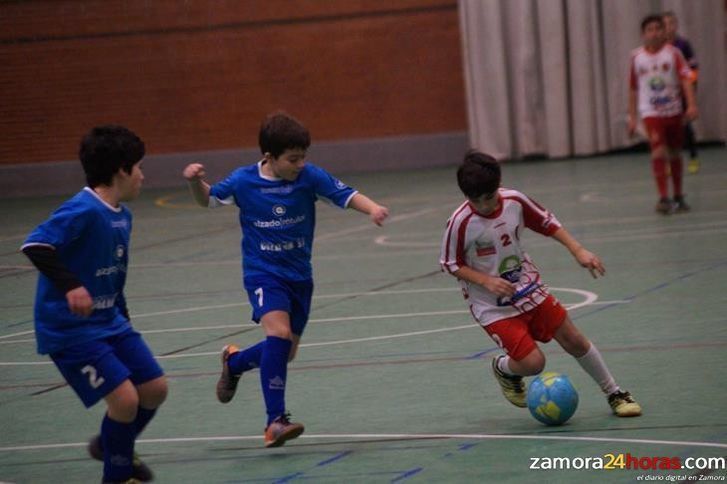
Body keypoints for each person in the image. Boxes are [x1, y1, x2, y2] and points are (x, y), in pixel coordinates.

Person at [182, 111, 389, 447]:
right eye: (293, 159)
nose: (300, 164)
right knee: (277, 335)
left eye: (304, 156)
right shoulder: (244, 181)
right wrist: (194, 181)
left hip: (299, 277)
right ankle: (274, 422)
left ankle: (234, 362)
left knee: (285, 352)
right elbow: (208, 199)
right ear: (269, 157)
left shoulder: (309, 177)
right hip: (263, 273)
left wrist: (373, 208)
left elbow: (346, 194)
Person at [439, 151, 642, 418]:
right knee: (534, 363)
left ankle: (615, 393)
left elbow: (547, 222)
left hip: (527, 287)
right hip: (492, 305)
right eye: (475, 201)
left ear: (498, 186)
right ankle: (503, 368)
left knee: (574, 340)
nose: (484, 206)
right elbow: (450, 264)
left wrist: (578, 250)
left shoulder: (515, 200)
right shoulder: (460, 223)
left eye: (488, 198)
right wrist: (487, 281)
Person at [22, 126, 167, 484]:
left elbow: (113, 277)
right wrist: (71, 286)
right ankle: (116, 476)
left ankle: (109, 443)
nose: (143, 176)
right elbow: (35, 244)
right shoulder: (82, 209)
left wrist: (124, 320)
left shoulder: (123, 216)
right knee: (125, 401)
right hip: (70, 329)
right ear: (121, 169)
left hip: (110, 322)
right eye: (139, 167)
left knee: (155, 388)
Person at [628, 14, 698, 215]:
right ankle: (663, 198)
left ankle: (678, 195)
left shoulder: (673, 53)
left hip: (673, 110)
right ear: (643, 34)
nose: (655, 33)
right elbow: (632, 89)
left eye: (658, 28)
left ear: (664, 31)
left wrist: (691, 104)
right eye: (650, 29)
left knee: (675, 153)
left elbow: (686, 80)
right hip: (650, 112)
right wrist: (633, 117)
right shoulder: (637, 58)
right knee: (658, 151)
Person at [663, 11, 700, 174]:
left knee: (686, 127)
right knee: (667, 130)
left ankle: (693, 156)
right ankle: (670, 161)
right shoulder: (660, 47)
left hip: (683, 92)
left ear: (676, 25)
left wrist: (691, 88)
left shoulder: (683, 45)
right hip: (665, 95)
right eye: (665, 24)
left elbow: (693, 68)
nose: (668, 27)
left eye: (671, 23)